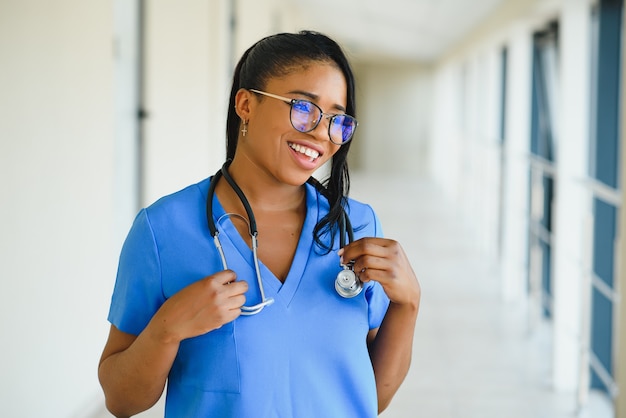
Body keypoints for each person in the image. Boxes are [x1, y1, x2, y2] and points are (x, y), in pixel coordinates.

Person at [98, 30, 421, 418]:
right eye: (303, 107)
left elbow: (368, 398)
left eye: (337, 119)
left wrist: (408, 304)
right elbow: (121, 400)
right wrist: (167, 329)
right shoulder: (163, 230)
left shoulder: (356, 226)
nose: (321, 131)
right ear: (246, 104)